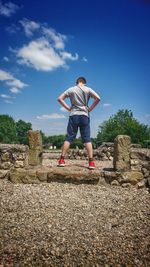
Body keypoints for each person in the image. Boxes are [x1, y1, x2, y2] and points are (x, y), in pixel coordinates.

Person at [57, 77, 100, 169]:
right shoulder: (88, 89)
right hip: (84, 115)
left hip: (74, 115)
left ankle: (61, 159)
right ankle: (91, 162)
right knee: (87, 139)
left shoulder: (71, 89)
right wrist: (90, 109)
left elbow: (60, 98)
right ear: (84, 82)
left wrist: (68, 108)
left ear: (77, 82)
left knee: (69, 138)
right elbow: (98, 98)